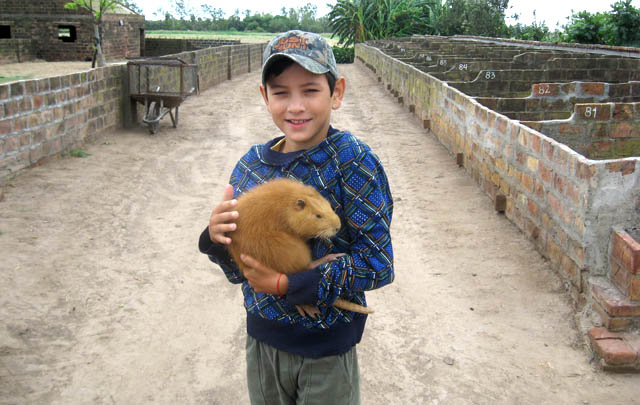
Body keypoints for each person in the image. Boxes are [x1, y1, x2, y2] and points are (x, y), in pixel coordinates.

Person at [198, 30, 394, 404]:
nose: (296, 107)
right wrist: (214, 238)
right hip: (263, 342)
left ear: (336, 92)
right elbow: (241, 271)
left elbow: (379, 264)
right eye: (281, 93)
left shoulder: (354, 162)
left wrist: (293, 285)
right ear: (264, 97)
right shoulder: (250, 167)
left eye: (310, 90)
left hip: (326, 350)